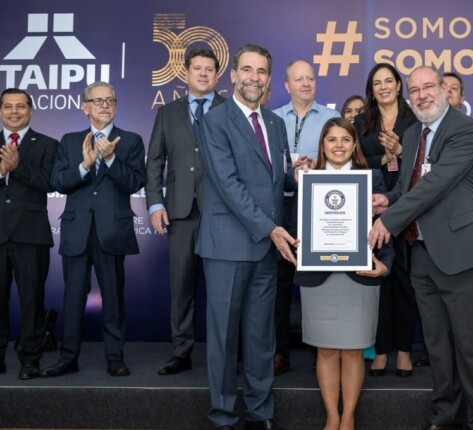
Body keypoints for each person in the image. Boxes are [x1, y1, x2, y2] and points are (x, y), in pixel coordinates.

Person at [369, 66, 473, 430]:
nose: (422, 94)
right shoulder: (412, 134)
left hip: (460, 252)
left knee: (469, 343)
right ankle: (444, 416)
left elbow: (434, 185)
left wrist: (388, 222)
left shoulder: (465, 129)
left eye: (428, 87)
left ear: (444, 89)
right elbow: (408, 187)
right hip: (421, 254)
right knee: (436, 344)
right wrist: (386, 201)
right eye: (415, 90)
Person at [196, 43, 296, 430]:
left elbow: (277, 179)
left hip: (266, 251)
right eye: (247, 70)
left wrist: (299, 176)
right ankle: (222, 416)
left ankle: (261, 412)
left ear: (269, 80)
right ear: (233, 75)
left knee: (260, 338)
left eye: (262, 72)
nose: (255, 77)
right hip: (228, 246)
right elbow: (228, 184)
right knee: (223, 339)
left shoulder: (274, 122)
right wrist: (271, 229)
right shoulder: (215, 121)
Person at [43, 82, 146, 378]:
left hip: (112, 230)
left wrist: (111, 160)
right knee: (73, 296)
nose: (105, 105)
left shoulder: (131, 140)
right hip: (77, 230)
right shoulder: (69, 140)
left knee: (113, 297)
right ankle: (68, 357)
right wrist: (85, 165)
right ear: (84, 106)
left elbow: (134, 182)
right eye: (98, 101)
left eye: (110, 100)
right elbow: (59, 182)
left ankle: (115, 358)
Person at [295, 117, 393, 430]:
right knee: (325, 349)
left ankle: (348, 418)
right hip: (319, 277)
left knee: (352, 350)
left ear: (354, 145)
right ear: (322, 146)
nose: (338, 146)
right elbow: (297, 225)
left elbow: (386, 227)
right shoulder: (308, 180)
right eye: (331, 140)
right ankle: (331, 417)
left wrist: (385, 265)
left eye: (345, 140)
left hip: (360, 275)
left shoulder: (373, 178)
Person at [146, 48, 225, 376]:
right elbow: (155, 162)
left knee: (223, 288)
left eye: (209, 69)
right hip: (180, 213)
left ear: (217, 75)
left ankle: (224, 352)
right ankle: (181, 351)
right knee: (181, 288)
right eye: (198, 69)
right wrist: (155, 202)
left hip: (222, 213)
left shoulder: (231, 109)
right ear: (186, 73)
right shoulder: (167, 113)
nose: (204, 74)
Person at [272, 59, 339, 375]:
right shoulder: (271, 120)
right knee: (279, 284)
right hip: (280, 209)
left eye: (310, 78)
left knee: (317, 284)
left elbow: (341, 161)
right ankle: (278, 352)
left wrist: (319, 168)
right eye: (299, 79)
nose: (306, 84)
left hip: (318, 210)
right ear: (287, 85)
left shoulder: (331, 118)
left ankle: (321, 352)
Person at [354, 63, 418, 377]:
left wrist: (402, 150)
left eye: (388, 81)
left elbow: (423, 161)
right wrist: (386, 157)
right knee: (378, 283)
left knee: (404, 281)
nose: (383, 87)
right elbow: (355, 161)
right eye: (377, 82)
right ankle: (380, 350)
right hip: (372, 205)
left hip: (408, 206)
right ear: (372, 88)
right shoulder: (360, 122)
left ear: (398, 85)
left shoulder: (414, 118)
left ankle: (404, 350)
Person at [0, 89, 58, 379]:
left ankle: (30, 359)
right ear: (1, 110)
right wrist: (2, 172)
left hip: (31, 234)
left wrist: (17, 167)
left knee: (32, 300)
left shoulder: (48, 144)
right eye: (8, 106)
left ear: (31, 111)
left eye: (20, 107)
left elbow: (50, 182)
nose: (14, 112)